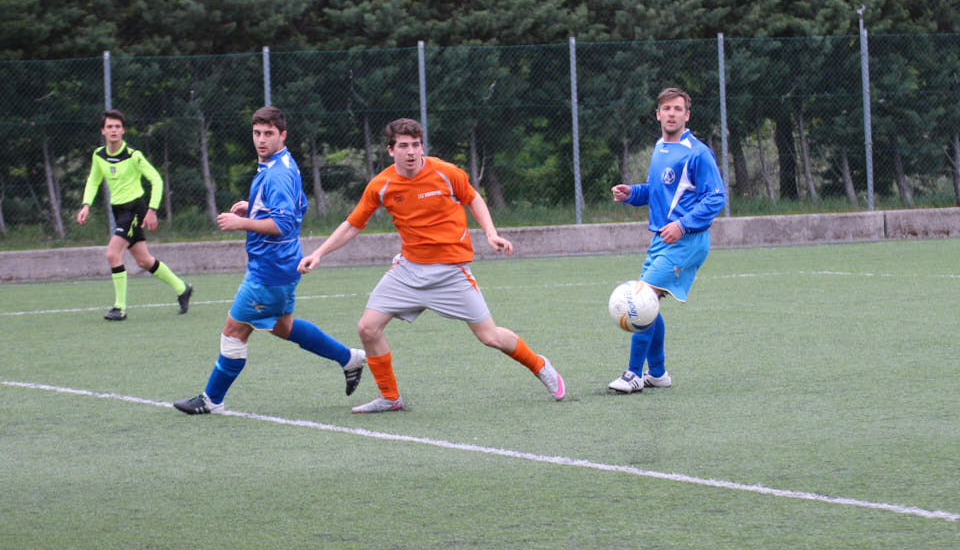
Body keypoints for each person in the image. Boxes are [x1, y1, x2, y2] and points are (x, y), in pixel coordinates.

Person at [298, 118, 565, 413]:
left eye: (416, 145)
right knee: (367, 328)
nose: (411, 151)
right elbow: (353, 224)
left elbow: (474, 199)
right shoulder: (381, 185)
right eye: (403, 146)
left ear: (422, 146)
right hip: (408, 271)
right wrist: (319, 253)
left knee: (489, 337)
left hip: (451, 272)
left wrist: (491, 234)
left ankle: (540, 365)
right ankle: (390, 398)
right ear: (391, 150)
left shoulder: (446, 172)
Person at [173, 106, 366, 415]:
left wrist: (242, 222)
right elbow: (297, 207)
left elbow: (284, 224)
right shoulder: (283, 163)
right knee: (281, 326)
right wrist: (254, 207)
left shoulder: (277, 173)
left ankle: (211, 400)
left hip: (269, 270)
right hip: (283, 264)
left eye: (268, 134)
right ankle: (349, 358)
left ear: (282, 135)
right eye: (257, 133)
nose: (261, 140)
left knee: (234, 331)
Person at [607, 87, 725, 393]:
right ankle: (657, 373)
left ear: (687, 115)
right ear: (658, 114)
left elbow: (716, 198)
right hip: (661, 240)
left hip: (687, 241)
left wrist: (683, 226)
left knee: (642, 299)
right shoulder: (660, 147)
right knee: (649, 304)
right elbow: (656, 191)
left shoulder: (697, 152)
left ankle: (633, 374)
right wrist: (632, 193)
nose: (672, 114)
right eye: (667, 109)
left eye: (678, 109)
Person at [76, 109, 192, 321]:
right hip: (118, 210)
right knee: (144, 261)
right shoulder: (99, 155)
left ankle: (119, 308)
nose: (113, 130)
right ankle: (182, 288)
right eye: (109, 127)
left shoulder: (133, 156)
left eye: (117, 127)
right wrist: (86, 205)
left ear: (123, 130)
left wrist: (152, 210)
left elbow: (156, 180)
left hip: (134, 209)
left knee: (112, 254)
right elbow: (93, 180)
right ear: (103, 131)